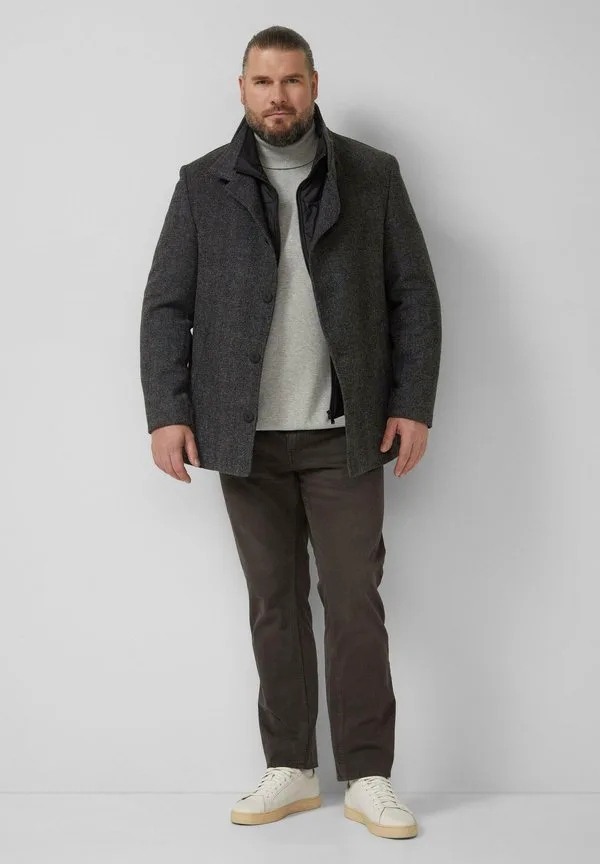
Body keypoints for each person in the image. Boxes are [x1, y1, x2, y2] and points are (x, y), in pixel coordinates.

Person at [140, 25, 442, 840]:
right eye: (263, 82)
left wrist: (413, 402)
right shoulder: (202, 183)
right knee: (273, 605)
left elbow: (414, 295)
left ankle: (369, 776)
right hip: (243, 436)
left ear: (314, 84)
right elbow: (167, 305)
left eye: (292, 81)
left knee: (353, 601)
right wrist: (169, 412)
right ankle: (293, 768)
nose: (278, 97)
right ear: (242, 88)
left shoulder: (372, 175)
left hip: (347, 434)